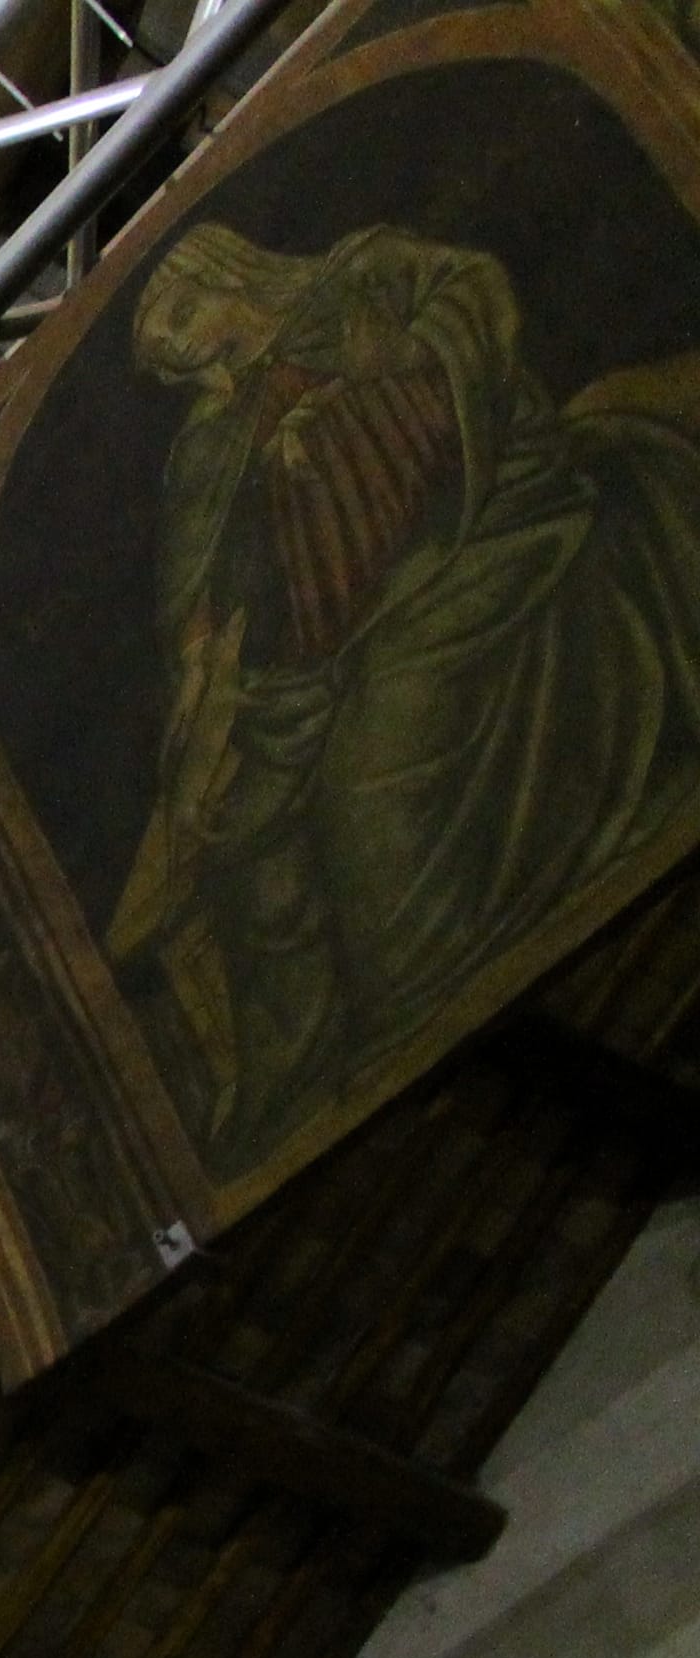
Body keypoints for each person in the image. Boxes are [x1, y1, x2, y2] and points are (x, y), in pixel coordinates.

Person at [106, 220, 700, 1174]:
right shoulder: (214, 441)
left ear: (227, 273)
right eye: (167, 359)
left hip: (477, 530)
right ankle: (303, 1074)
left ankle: (417, 993)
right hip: (325, 642)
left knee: (372, 779)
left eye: (178, 316)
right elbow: (203, 595)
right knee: (245, 839)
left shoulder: (364, 274)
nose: (181, 354)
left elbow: (478, 299)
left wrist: (395, 358)